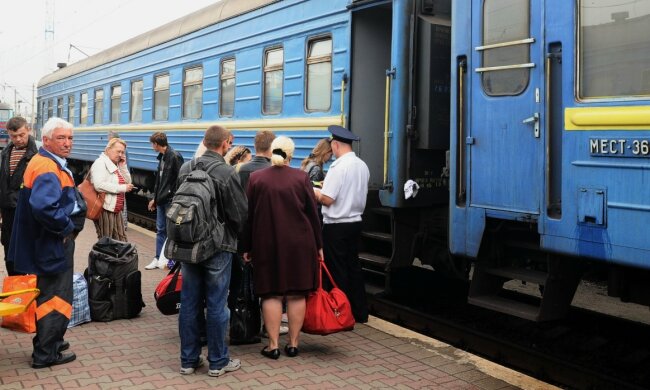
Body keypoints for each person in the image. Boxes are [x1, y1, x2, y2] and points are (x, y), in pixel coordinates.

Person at [9, 117, 85, 368]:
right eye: (61, 138)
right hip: (52, 243)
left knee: (50, 292)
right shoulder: (46, 167)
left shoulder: (45, 161)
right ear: (47, 140)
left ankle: (49, 340)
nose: (67, 143)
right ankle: (46, 353)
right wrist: (65, 228)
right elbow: (44, 206)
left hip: (46, 242)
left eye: (70, 138)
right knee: (56, 296)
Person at [242, 136, 323, 359]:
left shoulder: (256, 178)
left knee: (271, 294)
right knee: (297, 294)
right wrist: (319, 245)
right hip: (300, 245)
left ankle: (273, 345)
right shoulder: (301, 178)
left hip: (267, 244)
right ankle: (294, 344)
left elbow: (249, 217)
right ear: (291, 155)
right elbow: (312, 215)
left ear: (271, 151)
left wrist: (246, 246)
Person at [178, 124, 247, 377]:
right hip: (218, 247)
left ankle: (188, 360)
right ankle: (218, 362)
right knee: (217, 304)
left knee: (189, 302)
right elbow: (239, 214)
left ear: (205, 141)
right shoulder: (226, 172)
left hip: (187, 245)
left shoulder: (187, 167)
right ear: (225, 143)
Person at [313, 125, 370, 323]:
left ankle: (342, 314)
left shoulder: (338, 167)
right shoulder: (362, 165)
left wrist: (312, 191)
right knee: (353, 266)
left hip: (336, 225)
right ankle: (360, 312)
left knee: (337, 270)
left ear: (336, 145)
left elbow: (328, 199)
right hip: (355, 222)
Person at [0, 116, 38, 275]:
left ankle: (28, 293)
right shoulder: (5, 153)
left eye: (21, 134)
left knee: (27, 255)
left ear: (28, 129)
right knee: (9, 255)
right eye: (13, 136)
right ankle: (14, 292)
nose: (18, 139)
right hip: (8, 215)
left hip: (26, 214)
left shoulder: (37, 155)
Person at [146, 132, 184, 270]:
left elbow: (180, 179)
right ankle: (158, 258)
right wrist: (154, 199)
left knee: (170, 230)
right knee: (161, 229)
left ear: (156, 144)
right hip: (162, 200)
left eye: (152, 144)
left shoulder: (174, 156)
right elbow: (159, 181)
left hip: (170, 200)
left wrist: (175, 199)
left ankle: (168, 259)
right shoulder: (162, 157)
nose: (152, 146)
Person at [89, 138, 134, 241]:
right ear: (108, 149)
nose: (120, 154)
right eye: (118, 151)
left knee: (121, 239)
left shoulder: (116, 164)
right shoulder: (101, 163)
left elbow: (128, 181)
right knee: (106, 240)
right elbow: (99, 185)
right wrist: (122, 188)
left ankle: (118, 257)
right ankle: (102, 257)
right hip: (105, 208)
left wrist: (123, 166)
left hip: (115, 208)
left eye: (122, 152)